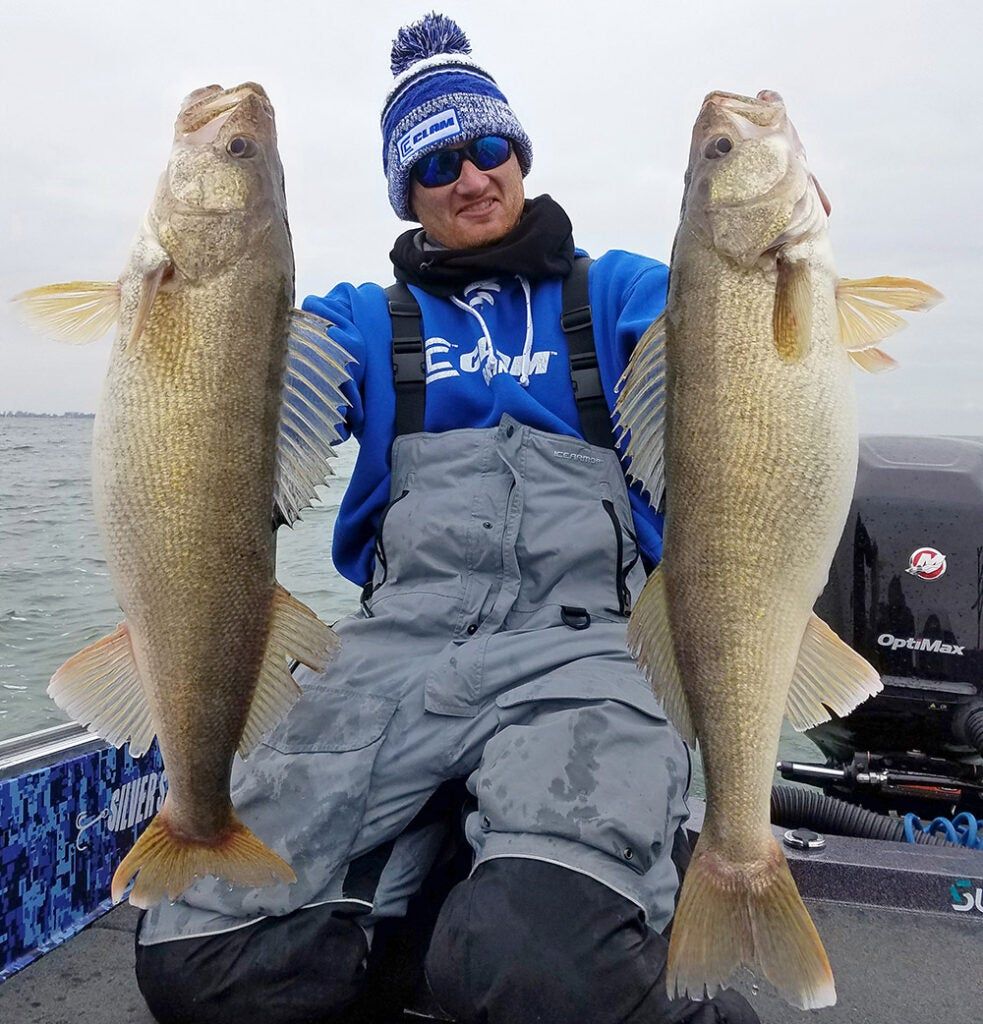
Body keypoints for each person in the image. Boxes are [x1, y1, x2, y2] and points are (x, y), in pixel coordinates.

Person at [134, 14, 759, 1024]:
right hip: (394, 651)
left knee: (536, 968)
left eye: (487, 147)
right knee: (194, 957)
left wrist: (775, 267)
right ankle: (420, 926)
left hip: (584, 651)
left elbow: (740, 370)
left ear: (517, 154)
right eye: (435, 163)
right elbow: (226, 389)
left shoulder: (621, 293)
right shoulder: (358, 321)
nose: (470, 176)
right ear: (405, 191)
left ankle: (538, 919)